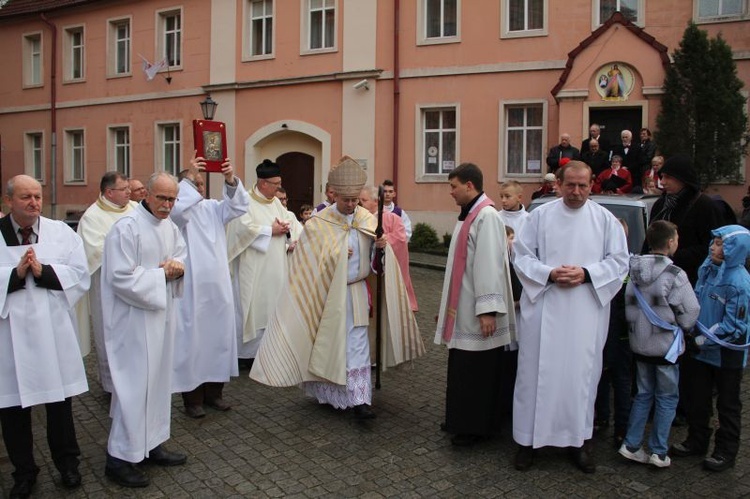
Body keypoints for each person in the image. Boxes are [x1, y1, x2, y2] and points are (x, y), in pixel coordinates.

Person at [250, 157, 422, 420]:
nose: (352, 205)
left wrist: (379, 250)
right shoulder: (320, 222)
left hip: (356, 292)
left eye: (355, 200)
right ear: (334, 195)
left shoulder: (366, 218)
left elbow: (377, 266)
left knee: (357, 343)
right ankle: (328, 392)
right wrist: (336, 254)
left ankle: (360, 399)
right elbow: (307, 260)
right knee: (330, 344)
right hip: (327, 294)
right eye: (346, 200)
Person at [512, 161, 629, 473]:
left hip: (585, 312)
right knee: (534, 377)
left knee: (581, 378)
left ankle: (579, 441)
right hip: (544, 309)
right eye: (570, 185)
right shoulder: (539, 216)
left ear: (592, 185)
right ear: (558, 184)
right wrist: (548, 273)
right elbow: (521, 256)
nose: (577, 192)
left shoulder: (604, 220)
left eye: (583, 185)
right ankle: (527, 441)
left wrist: (587, 273)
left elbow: (620, 262)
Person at [0, 175, 90, 497]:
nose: (34, 203)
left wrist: (42, 272)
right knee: (12, 411)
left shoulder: (60, 233)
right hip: (8, 340)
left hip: (52, 334)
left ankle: (68, 465)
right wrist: (16, 273)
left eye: (37, 196)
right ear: (10, 200)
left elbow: (81, 275)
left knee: (59, 405)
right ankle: (24, 472)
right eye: (25, 197)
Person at [101, 172, 188, 488]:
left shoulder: (170, 226)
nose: (167, 205)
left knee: (158, 382)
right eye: (162, 198)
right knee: (134, 387)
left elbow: (180, 256)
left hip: (162, 318)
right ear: (146, 195)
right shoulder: (126, 228)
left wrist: (177, 268)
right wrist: (161, 275)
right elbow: (120, 278)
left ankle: (151, 444)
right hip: (133, 322)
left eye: (172, 199)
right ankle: (119, 458)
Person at [434, 163, 516, 446]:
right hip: (464, 308)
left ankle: (476, 428)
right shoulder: (469, 215)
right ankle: (460, 420)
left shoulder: (488, 216)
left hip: (478, 312)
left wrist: (488, 310)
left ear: (469, 185)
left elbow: (488, 266)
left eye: (453, 186)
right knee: (462, 368)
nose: (450, 192)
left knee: (477, 372)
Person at [171, 156, 250, 419]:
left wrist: (229, 178)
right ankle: (191, 398)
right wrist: (189, 176)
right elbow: (179, 208)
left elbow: (239, 206)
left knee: (217, 339)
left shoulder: (212, 208)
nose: (201, 187)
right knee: (192, 342)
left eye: (203, 183)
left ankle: (214, 393)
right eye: (196, 182)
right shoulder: (176, 213)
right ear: (182, 187)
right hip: (191, 288)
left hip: (216, 286)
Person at [618, 220, 699, 468]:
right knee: (666, 397)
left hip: (640, 345)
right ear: (672, 242)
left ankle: (631, 444)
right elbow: (690, 310)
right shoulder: (675, 275)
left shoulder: (634, 271)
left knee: (643, 394)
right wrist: (686, 329)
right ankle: (658, 451)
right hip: (665, 347)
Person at [671, 225, 750, 472]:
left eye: (720, 245)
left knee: (727, 404)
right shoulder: (707, 269)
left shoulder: (740, 283)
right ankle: (697, 440)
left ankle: (726, 451)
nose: (714, 248)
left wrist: (701, 340)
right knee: (698, 398)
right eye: (714, 242)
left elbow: (734, 326)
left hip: (727, 354)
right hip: (700, 349)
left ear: (735, 250)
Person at [226, 159, 296, 370]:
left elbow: (288, 220)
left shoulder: (274, 201)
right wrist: (269, 230)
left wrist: (286, 229)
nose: (278, 188)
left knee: (273, 306)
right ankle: (246, 356)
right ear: (263, 183)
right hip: (253, 267)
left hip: (276, 265)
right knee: (251, 305)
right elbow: (240, 228)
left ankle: (269, 351)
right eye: (275, 184)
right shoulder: (244, 201)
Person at [75, 172, 134, 391]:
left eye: (129, 188)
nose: (129, 192)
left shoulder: (136, 209)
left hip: (136, 283)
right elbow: (95, 251)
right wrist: (129, 256)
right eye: (124, 189)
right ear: (109, 192)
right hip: (107, 288)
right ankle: (111, 386)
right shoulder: (92, 217)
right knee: (109, 333)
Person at [593, 219, 632, 449]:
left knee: (622, 382)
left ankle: (622, 428)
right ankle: (601, 419)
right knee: (601, 379)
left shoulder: (633, 266)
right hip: (604, 335)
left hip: (624, 336)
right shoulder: (601, 265)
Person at [359, 185, 418, 311]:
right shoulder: (359, 220)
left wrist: (385, 240)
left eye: (364, 200)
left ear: (376, 201)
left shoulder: (392, 218)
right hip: (367, 273)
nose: (360, 203)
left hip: (387, 273)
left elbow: (401, 239)